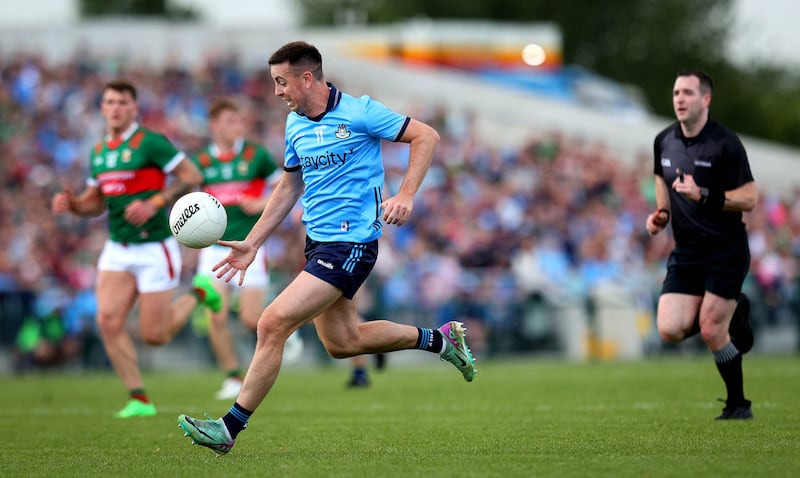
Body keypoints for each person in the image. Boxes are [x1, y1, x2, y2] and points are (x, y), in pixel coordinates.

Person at [178, 40, 476, 455]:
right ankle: (441, 340)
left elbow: (426, 135)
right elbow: (289, 186)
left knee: (271, 323)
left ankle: (228, 428)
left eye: (282, 82)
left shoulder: (360, 111)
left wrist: (406, 193)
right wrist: (253, 242)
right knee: (343, 343)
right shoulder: (295, 124)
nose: (277, 91)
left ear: (306, 78)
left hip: (352, 244)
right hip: (317, 243)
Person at [52, 80, 218, 418]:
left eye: (122, 102)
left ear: (134, 108)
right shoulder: (99, 151)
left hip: (154, 247)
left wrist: (155, 201)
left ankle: (200, 293)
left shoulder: (150, 142)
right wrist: (73, 205)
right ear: (102, 108)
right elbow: (95, 202)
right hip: (118, 248)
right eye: (110, 102)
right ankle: (139, 398)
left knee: (154, 336)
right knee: (108, 321)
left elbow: (192, 175)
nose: (115, 108)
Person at [645, 69, 756, 420]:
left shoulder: (725, 143)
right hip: (688, 251)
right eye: (676, 92)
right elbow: (661, 176)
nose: (679, 99)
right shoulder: (664, 140)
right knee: (669, 329)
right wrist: (662, 213)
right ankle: (733, 309)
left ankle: (738, 405)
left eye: (688, 93)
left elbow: (750, 198)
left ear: (705, 99)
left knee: (711, 329)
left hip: (725, 249)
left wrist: (703, 194)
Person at [190, 97, 279, 400]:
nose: (237, 126)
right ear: (214, 125)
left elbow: (285, 187)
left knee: (251, 320)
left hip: (250, 245)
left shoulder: (256, 155)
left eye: (239, 120)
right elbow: (192, 201)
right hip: (213, 249)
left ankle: (284, 330)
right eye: (230, 121)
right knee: (215, 314)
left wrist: (262, 202)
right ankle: (232, 376)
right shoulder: (201, 161)